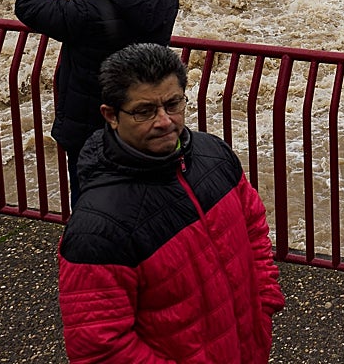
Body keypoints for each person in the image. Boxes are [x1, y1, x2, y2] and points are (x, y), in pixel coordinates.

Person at [58, 42, 285, 363]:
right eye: (144, 111)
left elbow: (253, 225)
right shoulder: (97, 229)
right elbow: (100, 349)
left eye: (173, 103)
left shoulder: (213, 155)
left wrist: (263, 301)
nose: (165, 121)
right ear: (110, 116)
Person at [14, 0, 178, 202]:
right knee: (138, 191)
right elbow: (130, 6)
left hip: (93, 121)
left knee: (91, 195)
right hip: (143, 113)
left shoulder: (86, 9)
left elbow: (30, 6)